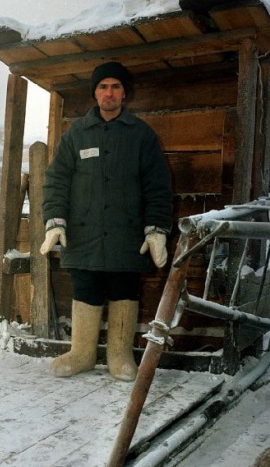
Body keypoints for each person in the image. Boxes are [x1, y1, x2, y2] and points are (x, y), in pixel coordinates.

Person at [40, 61, 173, 381]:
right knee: (85, 288)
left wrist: (156, 229)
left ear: (124, 93)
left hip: (126, 236)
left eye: (115, 86)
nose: (109, 93)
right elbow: (56, 181)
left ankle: (120, 357)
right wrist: (55, 222)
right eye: (103, 87)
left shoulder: (140, 135)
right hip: (84, 235)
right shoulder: (77, 135)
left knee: (124, 290)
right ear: (95, 93)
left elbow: (159, 185)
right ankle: (82, 354)